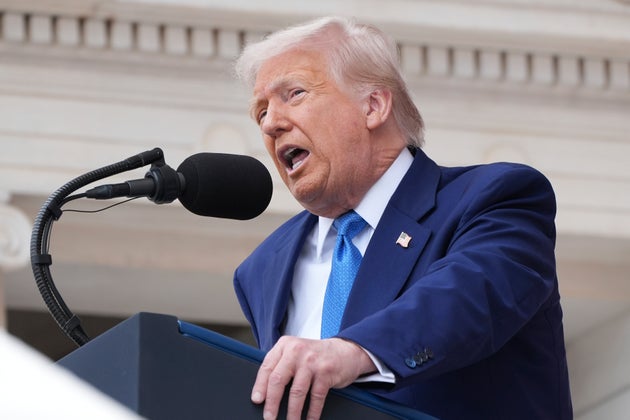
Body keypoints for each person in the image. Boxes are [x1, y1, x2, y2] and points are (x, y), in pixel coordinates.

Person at [233, 16, 572, 420]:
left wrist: (352, 351)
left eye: (295, 93)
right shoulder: (261, 269)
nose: (271, 123)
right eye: (261, 112)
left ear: (373, 106)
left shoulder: (497, 197)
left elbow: (466, 297)